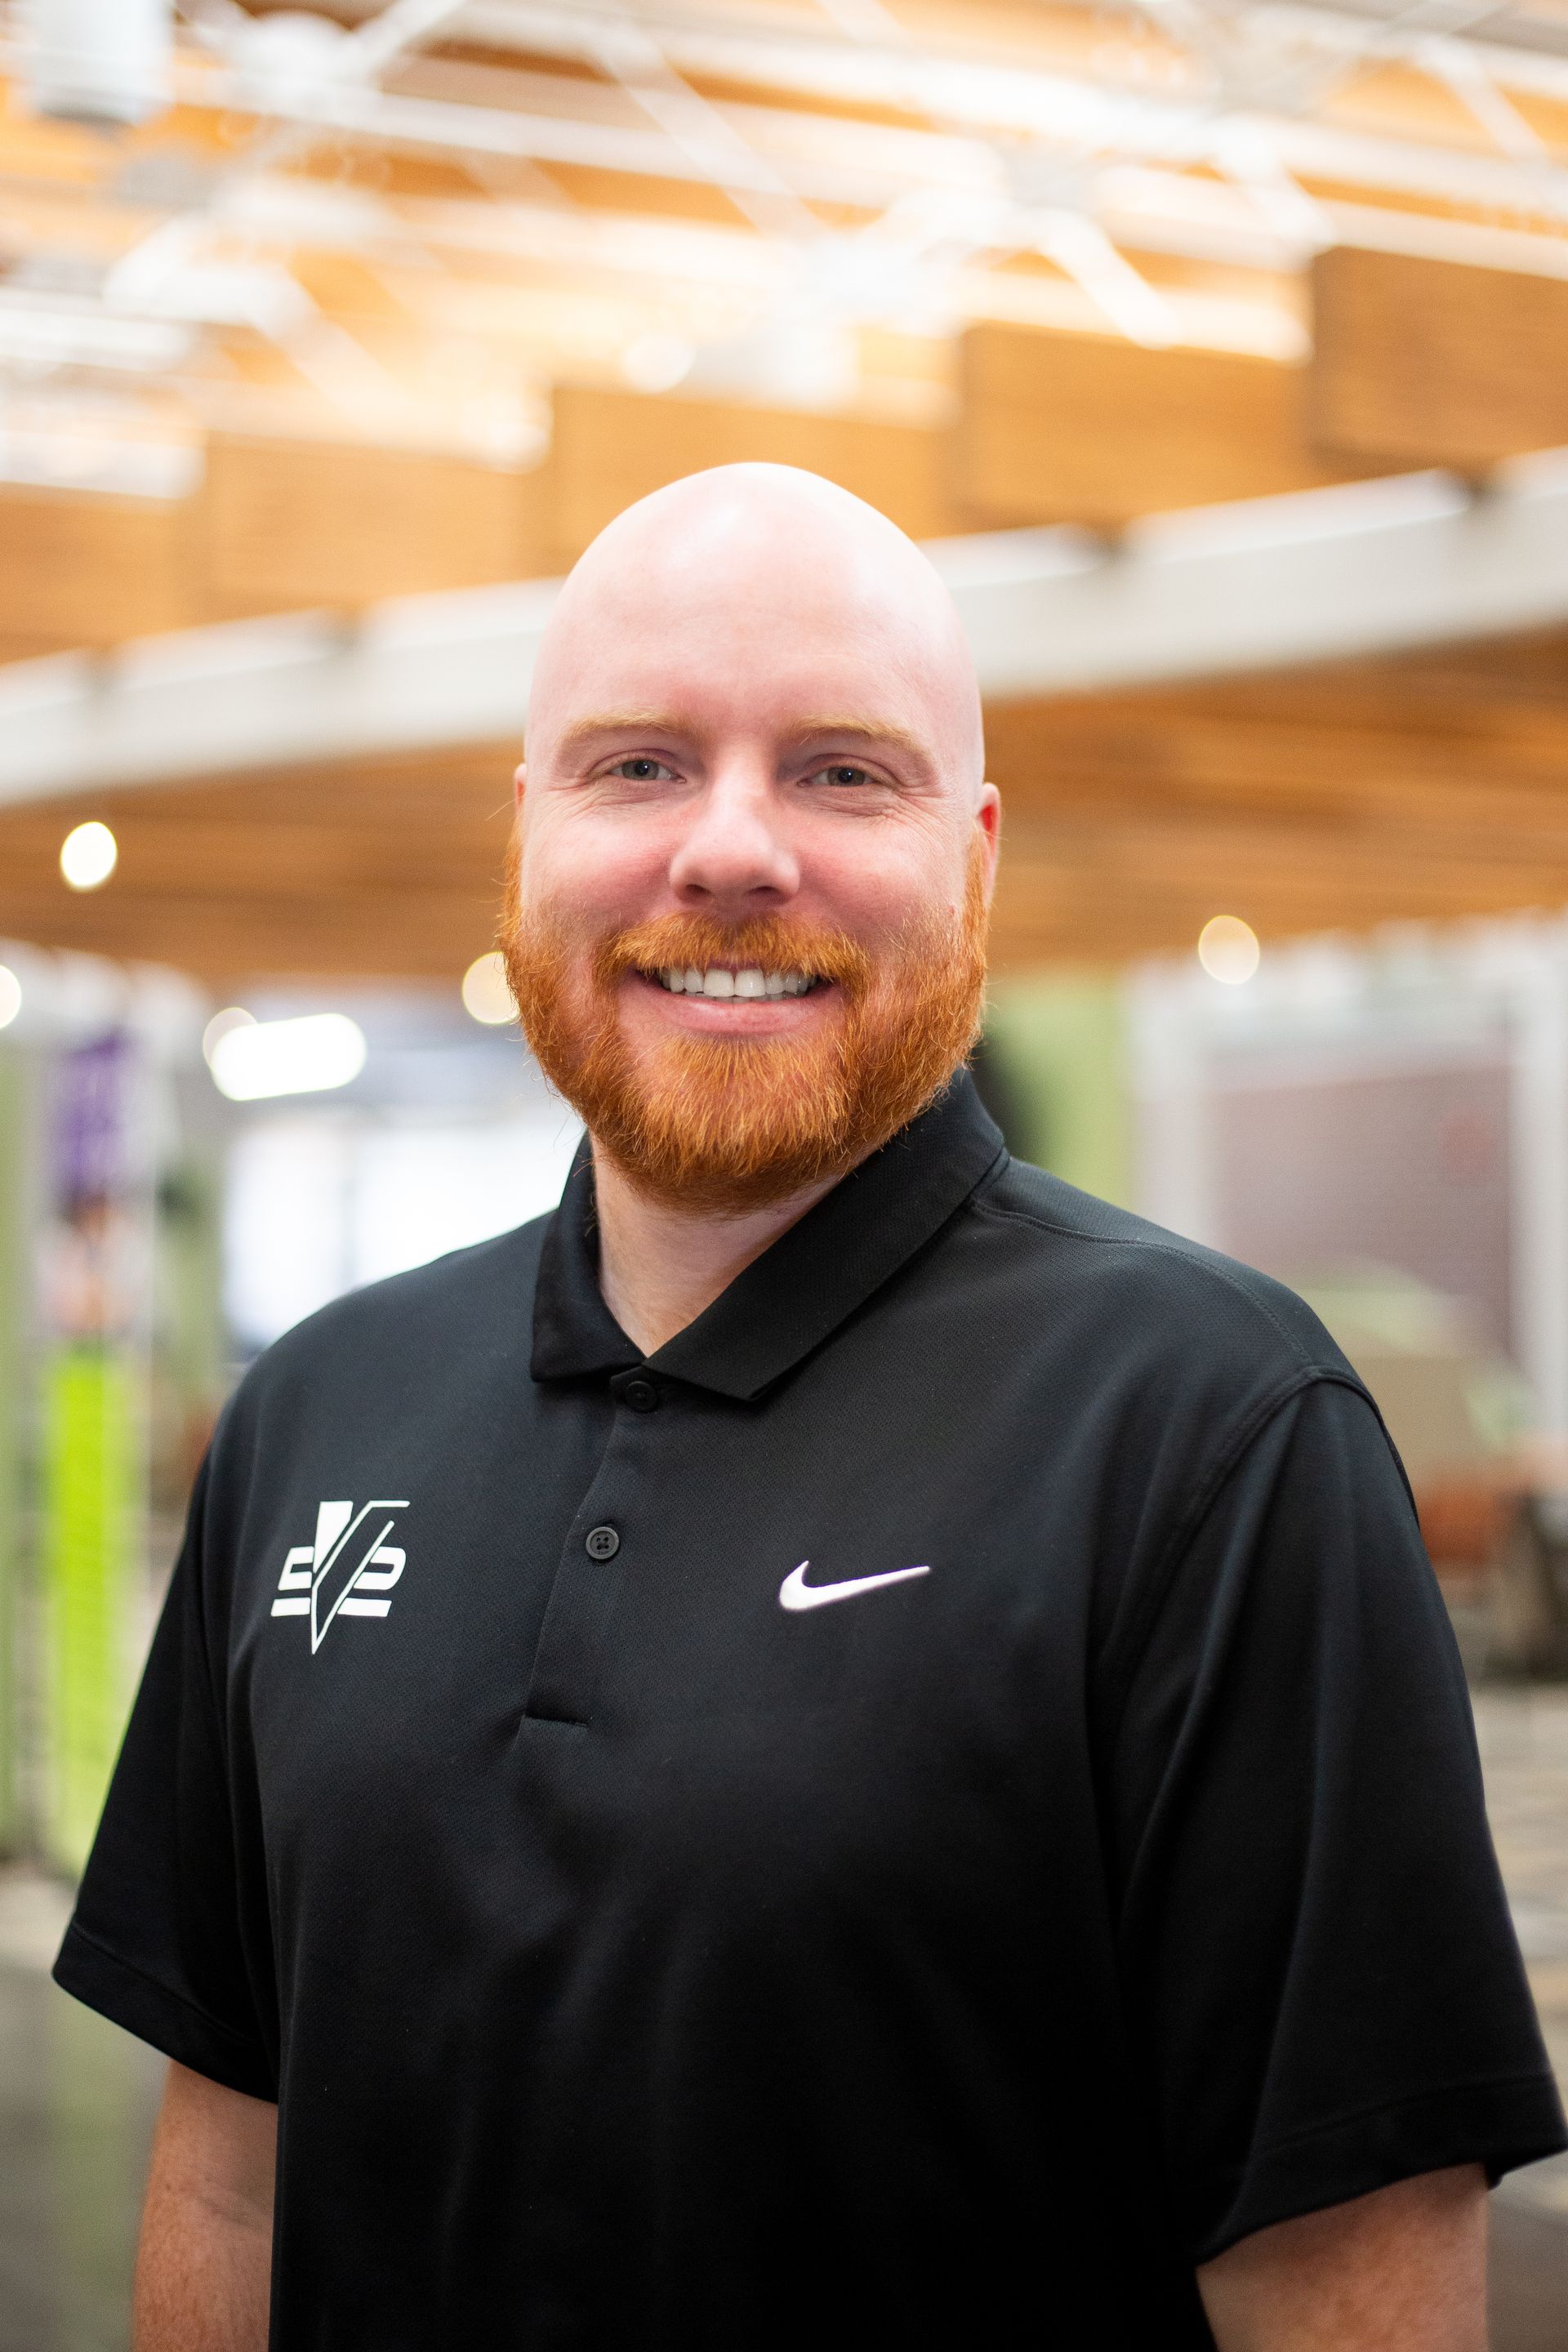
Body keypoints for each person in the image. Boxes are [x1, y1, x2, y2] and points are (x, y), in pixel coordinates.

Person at [58, 465, 1563, 2350]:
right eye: (640, 766)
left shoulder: (1215, 1441)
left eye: (845, 771)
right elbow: (233, 2169)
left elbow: (1347, 2291)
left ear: (980, 854)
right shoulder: (321, 1415)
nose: (734, 852)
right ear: (524, 836)